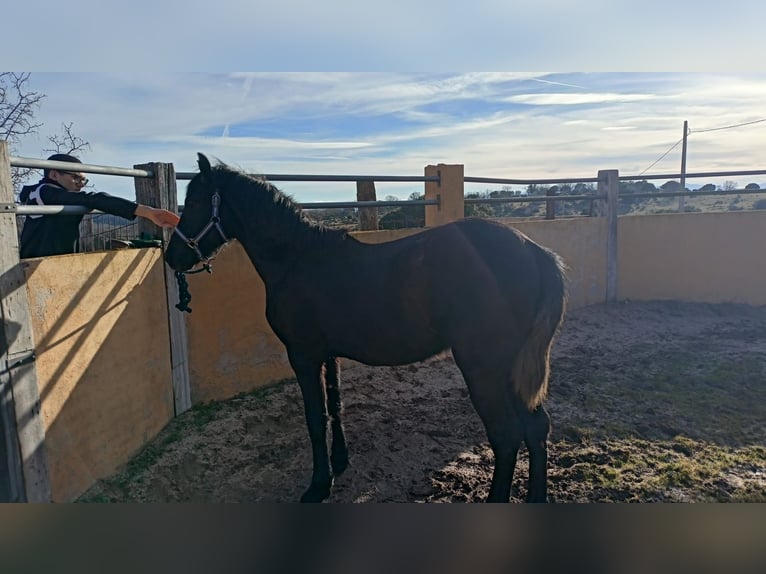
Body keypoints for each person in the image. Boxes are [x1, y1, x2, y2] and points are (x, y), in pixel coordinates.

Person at [18, 153, 180, 259]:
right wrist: (146, 211)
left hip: (41, 260)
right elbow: (92, 199)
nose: (81, 184)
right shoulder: (47, 192)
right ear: (54, 175)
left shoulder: (39, 193)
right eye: (76, 178)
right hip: (43, 263)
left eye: (83, 180)